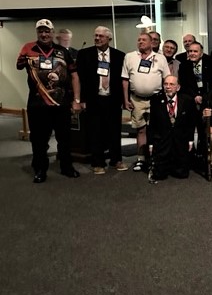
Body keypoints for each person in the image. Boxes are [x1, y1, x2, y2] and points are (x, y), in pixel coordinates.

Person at [16, 19, 82, 183]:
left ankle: (67, 167)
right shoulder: (27, 48)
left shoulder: (63, 51)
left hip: (61, 104)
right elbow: (19, 65)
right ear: (37, 33)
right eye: (41, 31)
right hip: (37, 104)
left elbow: (74, 76)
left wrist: (77, 99)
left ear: (53, 33)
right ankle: (40, 169)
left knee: (64, 138)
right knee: (38, 140)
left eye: (47, 31)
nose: (44, 34)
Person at [76, 26, 128, 174]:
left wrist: (124, 100)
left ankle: (116, 159)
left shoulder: (119, 55)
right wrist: (80, 99)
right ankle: (97, 162)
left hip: (113, 99)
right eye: (96, 36)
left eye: (101, 36)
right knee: (95, 131)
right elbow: (79, 78)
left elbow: (123, 79)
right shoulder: (84, 54)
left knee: (114, 130)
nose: (97, 38)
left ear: (109, 39)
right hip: (93, 99)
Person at [122, 32, 170, 172]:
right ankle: (140, 159)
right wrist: (125, 100)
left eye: (144, 40)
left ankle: (156, 157)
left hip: (156, 100)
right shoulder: (130, 57)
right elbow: (124, 80)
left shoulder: (160, 58)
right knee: (140, 130)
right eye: (139, 40)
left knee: (157, 130)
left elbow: (166, 80)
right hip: (136, 99)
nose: (140, 42)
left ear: (151, 43)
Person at [147, 75, 197, 180]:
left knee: (182, 174)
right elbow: (152, 124)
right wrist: (151, 143)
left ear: (178, 87)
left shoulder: (187, 100)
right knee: (159, 175)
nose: (168, 87)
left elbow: (191, 123)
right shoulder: (156, 100)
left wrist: (190, 140)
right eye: (166, 84)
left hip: (180, 140)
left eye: (171, 84)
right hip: (163, 140)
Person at [178, 42, 210, 161]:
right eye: (190, 51)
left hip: (206, 100)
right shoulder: (184, 66)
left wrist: (203, 97)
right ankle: (190, 155)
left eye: (195, 51)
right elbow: (184, 85)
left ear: (201, 53)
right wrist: (195, 96)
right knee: (190, 129)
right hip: (190, 100)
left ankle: (203, 156)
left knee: (203, 130)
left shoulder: (209, 63)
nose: (192, 53)